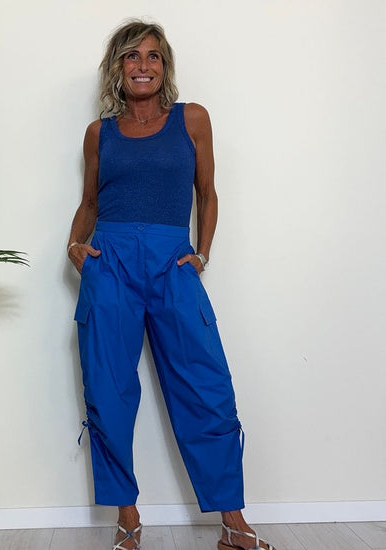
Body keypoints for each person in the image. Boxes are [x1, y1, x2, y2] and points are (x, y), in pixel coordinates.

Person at [67, 20, 277, 550]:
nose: (143, 65)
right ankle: (128, 519)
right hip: (110, 262)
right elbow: (89, 202)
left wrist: (201, 254)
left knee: (206, 388)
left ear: (165, 66)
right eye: (132, 56)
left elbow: (208, 193)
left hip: (172, 263)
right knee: (109, 392)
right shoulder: (99, 133)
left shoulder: (192, 119)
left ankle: (233, 525)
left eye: (153, 56)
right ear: (117, 67)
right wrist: (74, 245)